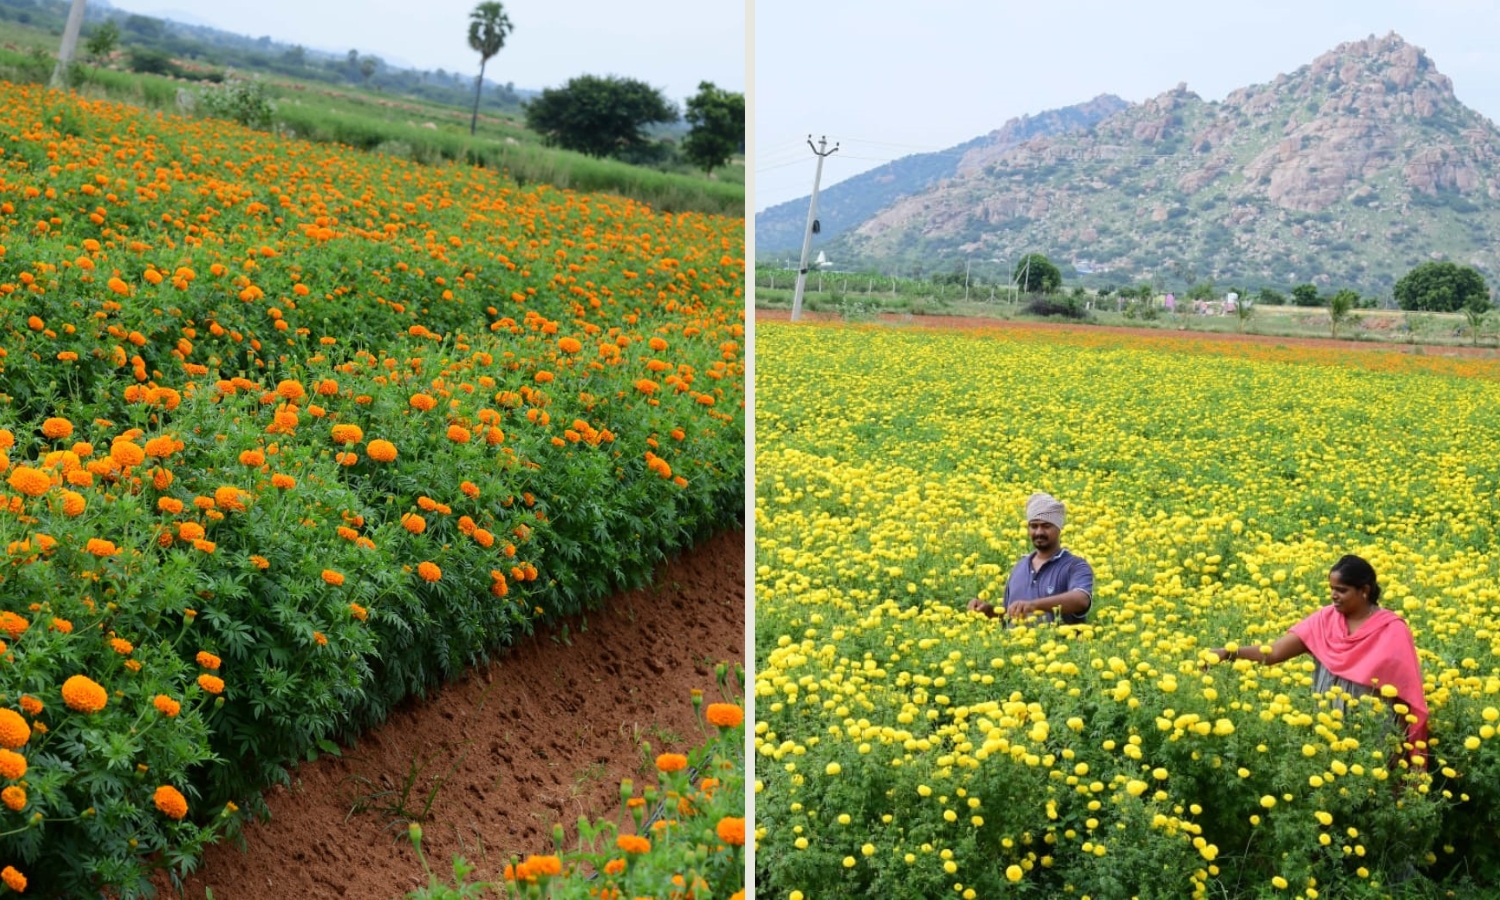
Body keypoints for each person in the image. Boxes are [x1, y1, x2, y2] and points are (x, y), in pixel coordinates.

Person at [1208, 555, 1428, 759]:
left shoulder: (1392, 630)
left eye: (1341, 590)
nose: (1333, 595)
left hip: (1373, 743)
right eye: (1332, 589)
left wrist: (1400, 752)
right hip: (1326, 737)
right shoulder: (1324, 620)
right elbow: (1273, 653)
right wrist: (1229, 653)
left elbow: (1405, 695)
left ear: (1364, 590)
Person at [968, 493, 1094, 625]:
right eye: (1034, 526)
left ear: (1058, 528)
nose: (1039, 532)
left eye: (1046, 526)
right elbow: (1009, 616)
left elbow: (1081, 600)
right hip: (1015, 639)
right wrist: (988, 611)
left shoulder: (1075, 566)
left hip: (1056, 638)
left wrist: (1034, 605)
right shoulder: (1019, 567)